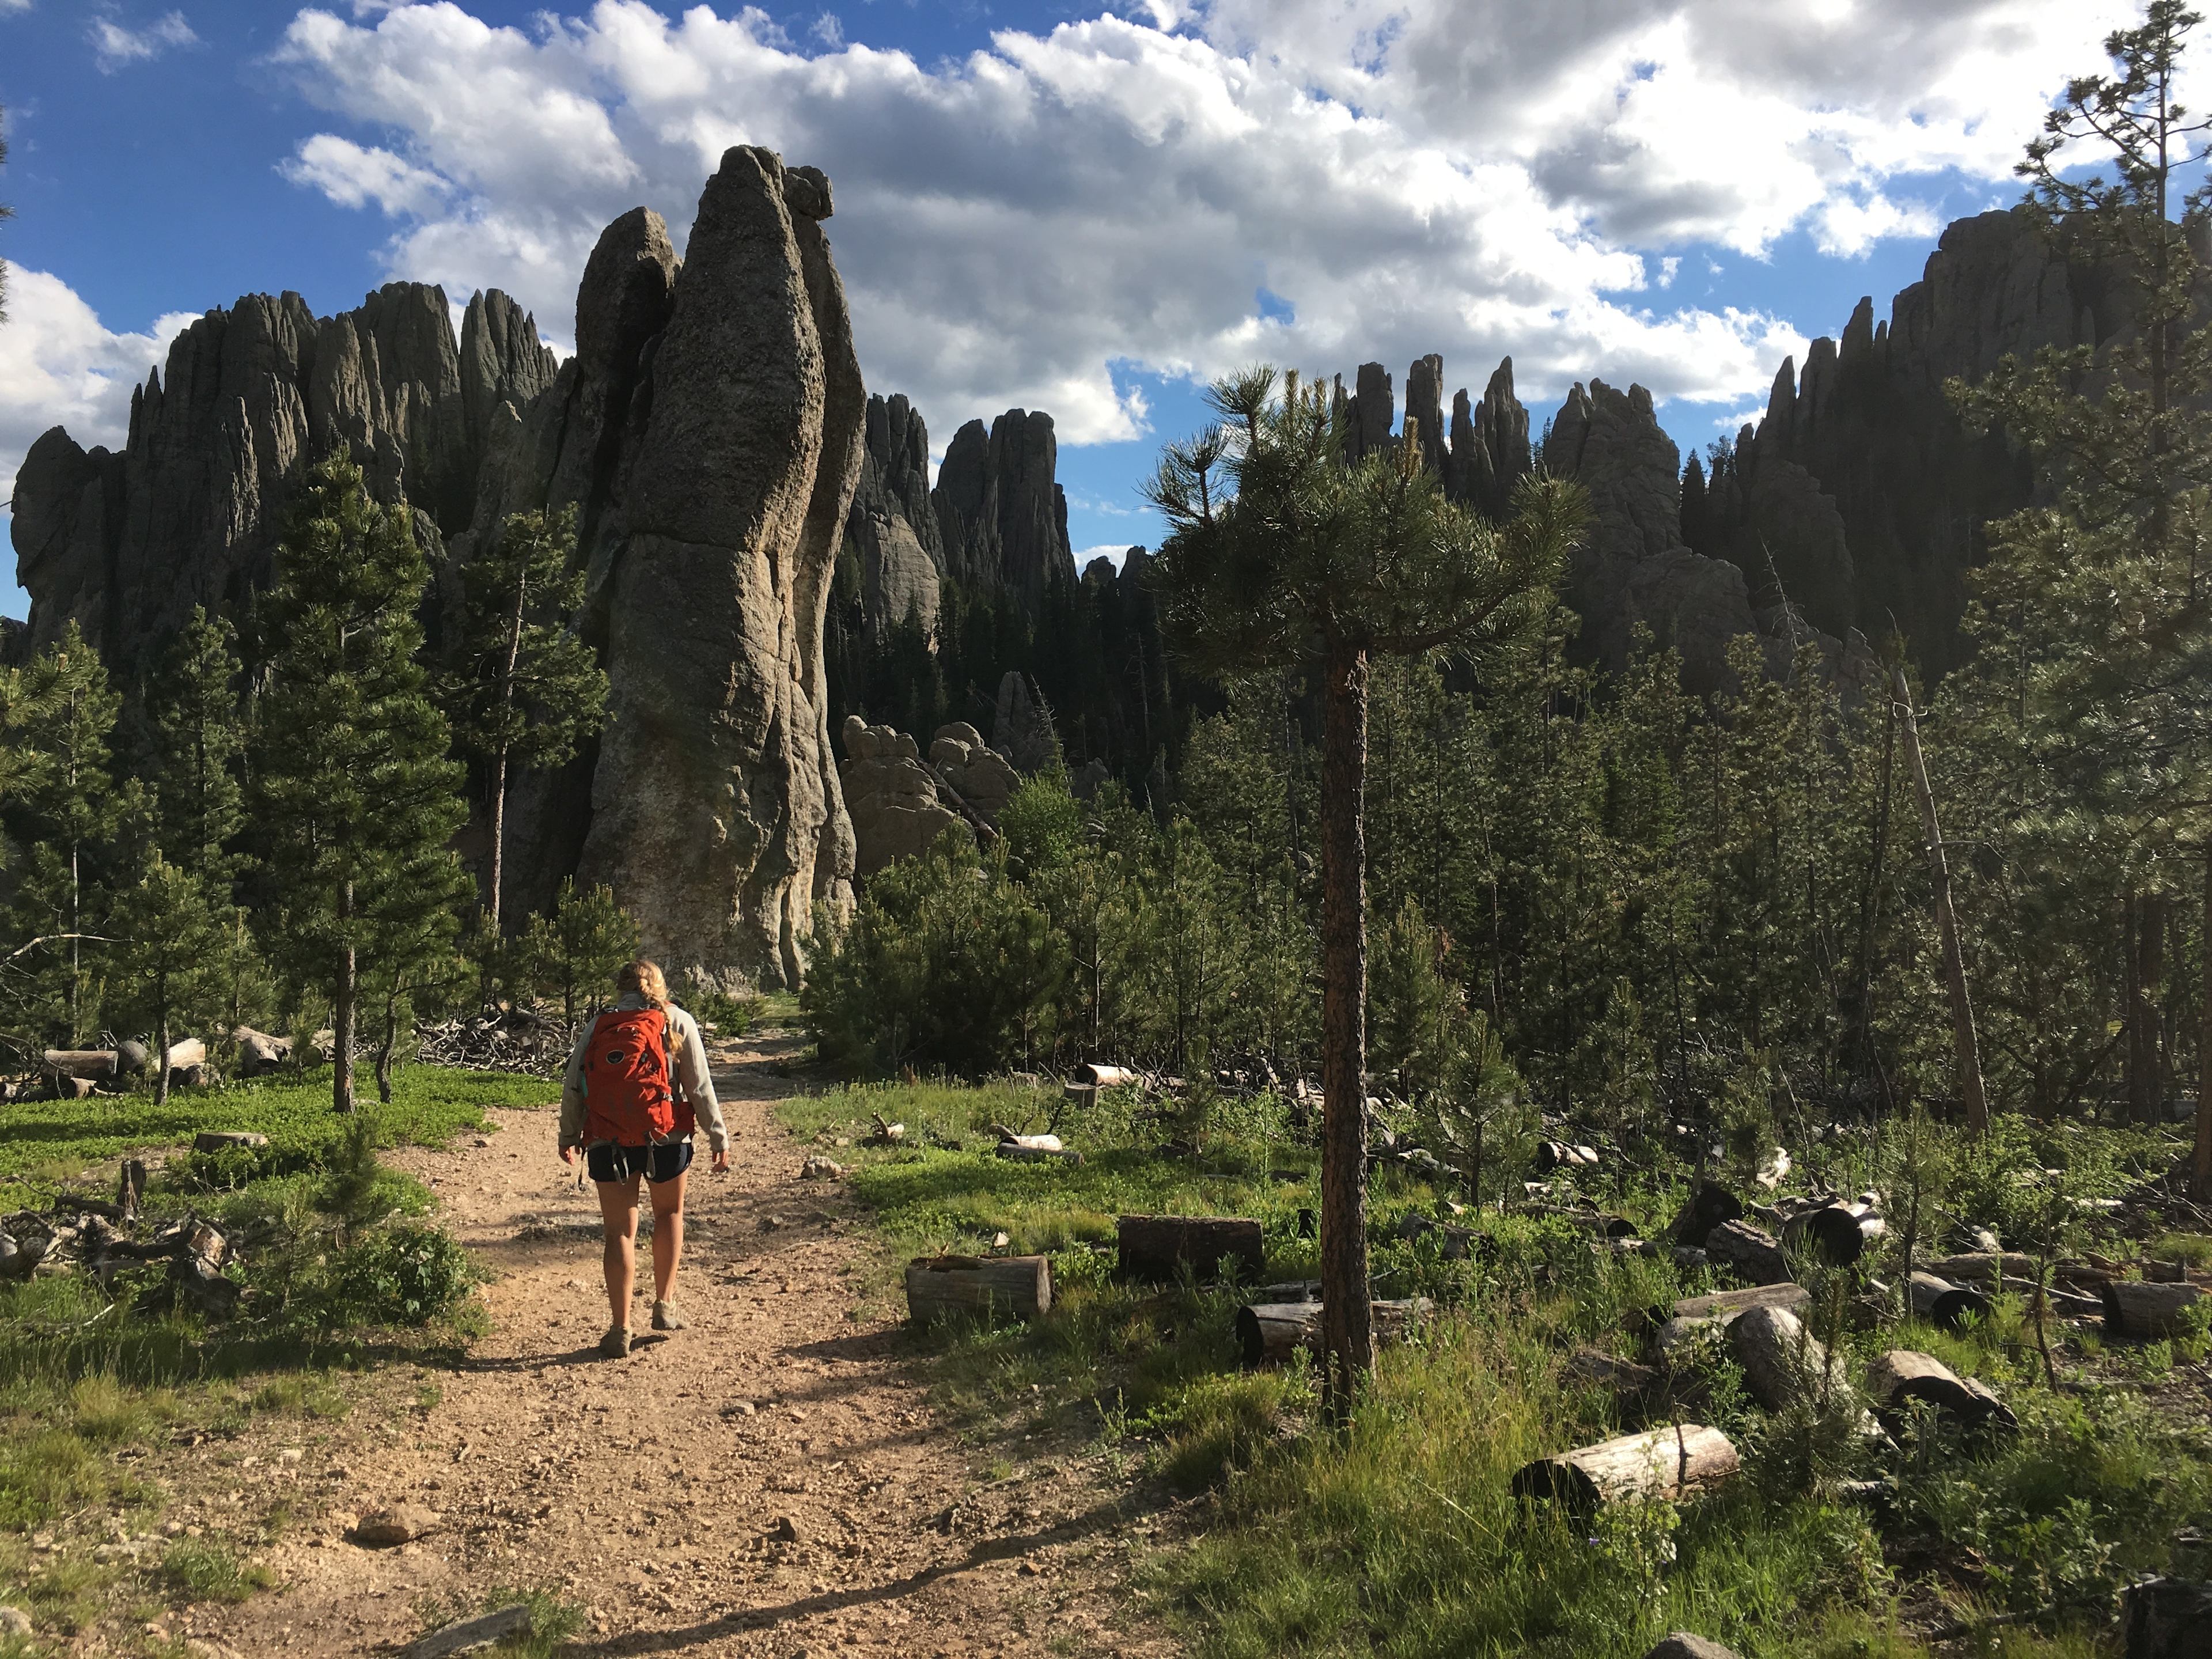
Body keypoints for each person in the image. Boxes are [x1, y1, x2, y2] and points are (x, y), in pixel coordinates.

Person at [558, 959, 729, 1358]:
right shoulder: (677, 1019)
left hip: (607, 1140)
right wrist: (717, 1136)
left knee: (619, 1231)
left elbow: (574, 1084)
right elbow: (699, 1086)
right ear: (660, 985)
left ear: (620, 988)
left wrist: (568, 1135)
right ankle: (665, 1306)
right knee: (669, 1214)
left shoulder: (600, 1024)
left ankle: (620, 1328)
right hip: (666, 1137)